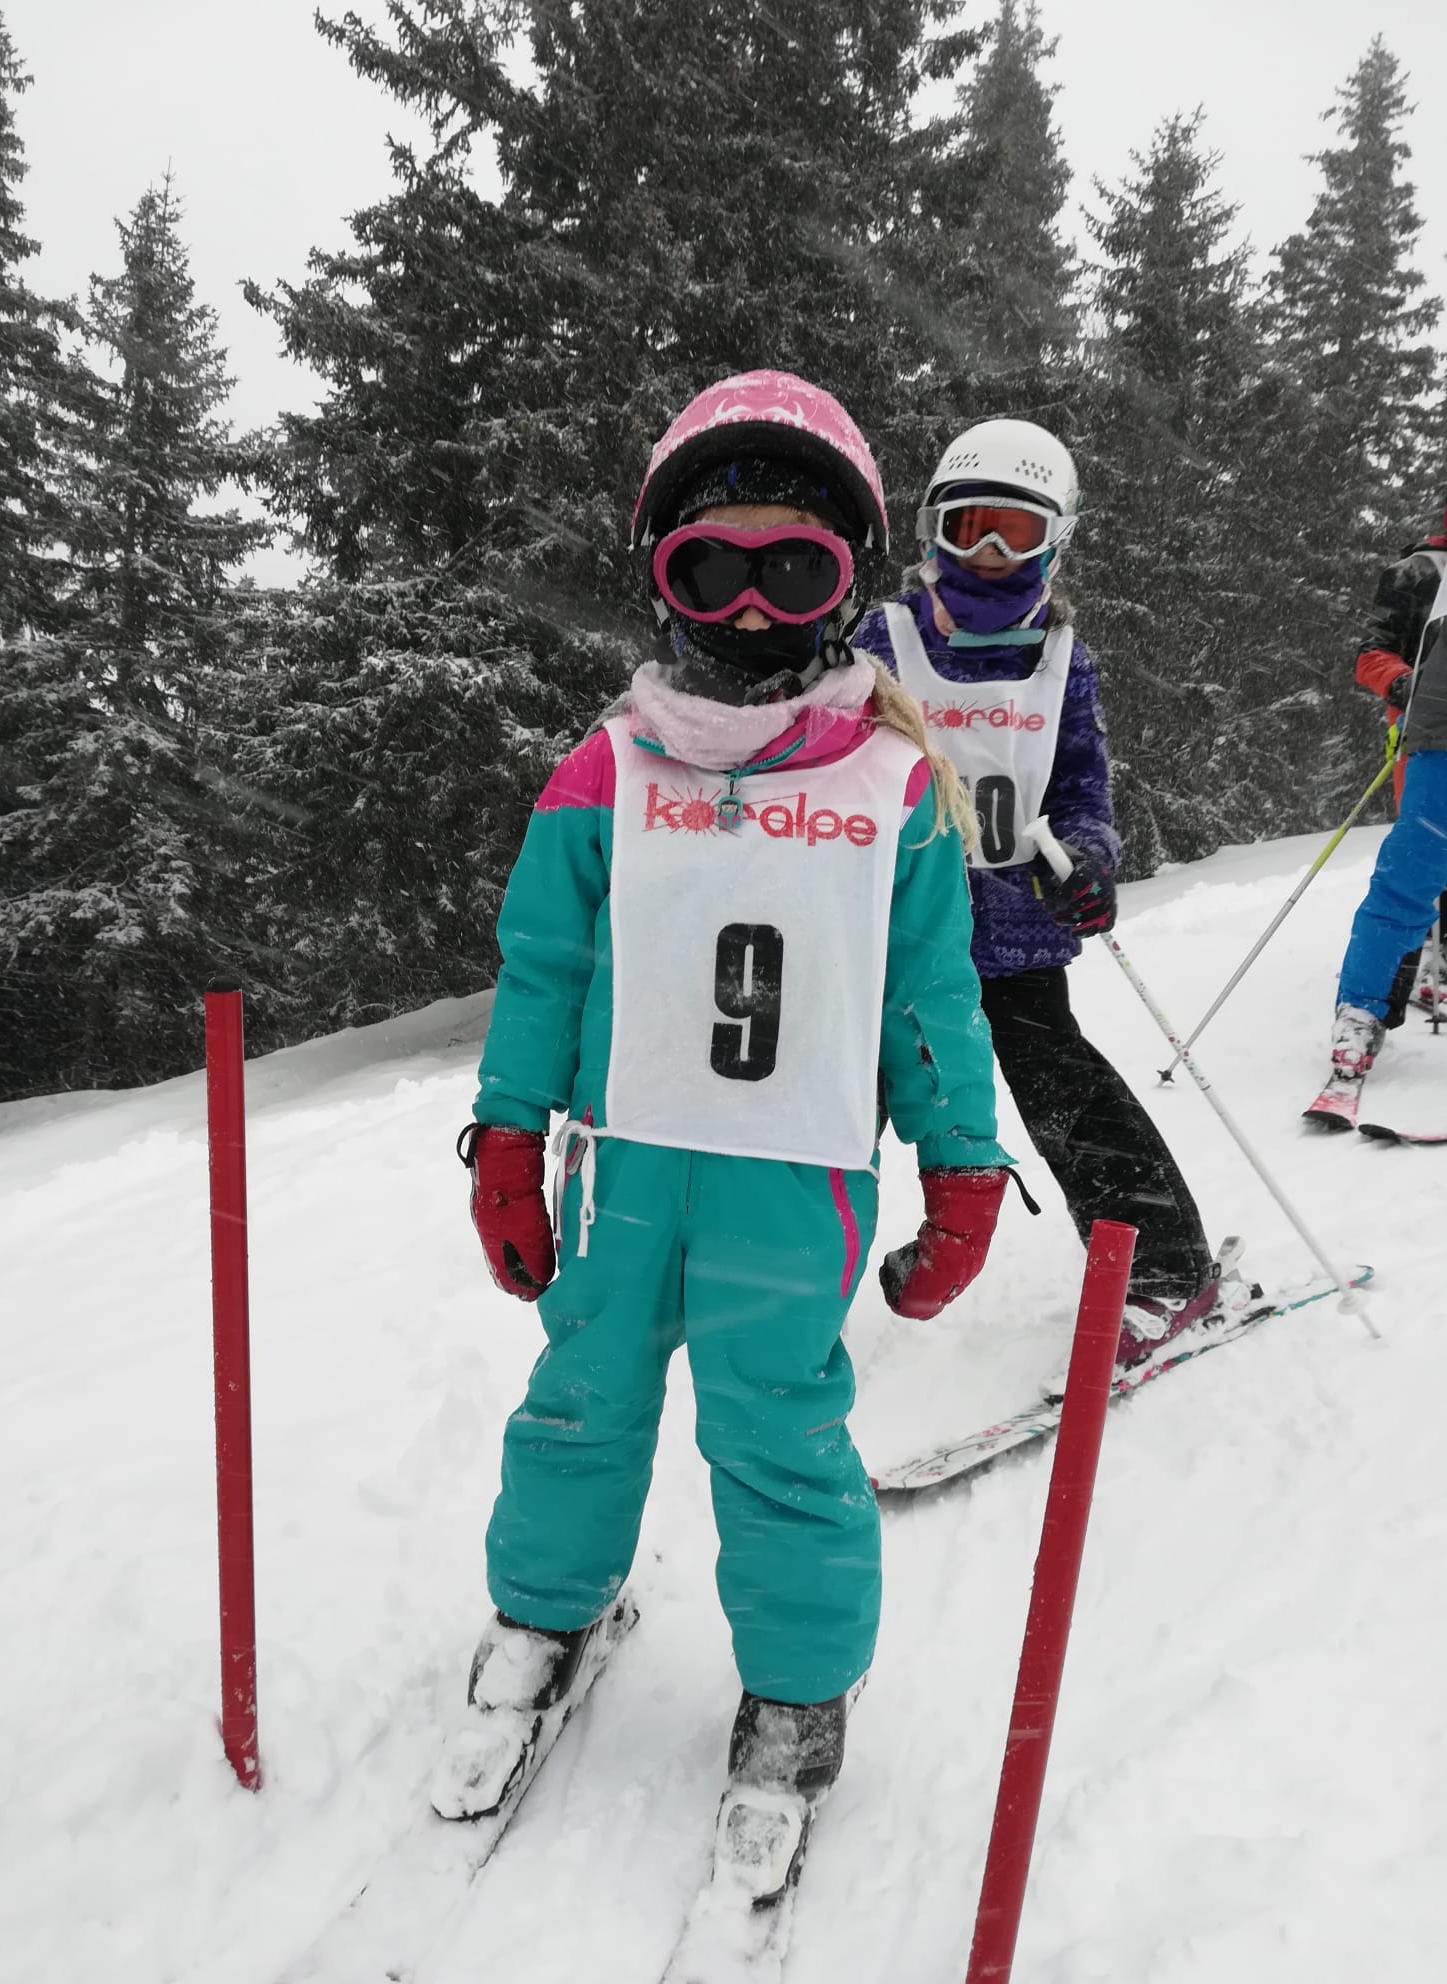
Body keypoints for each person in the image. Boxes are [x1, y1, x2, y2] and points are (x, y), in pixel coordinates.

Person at [448, 372, 1013, 1846]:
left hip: (793, 1179)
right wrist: (508, 1134)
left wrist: (961, 1164)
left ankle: (801, 1688)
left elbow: (927, 997)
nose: (752, 609)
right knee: (580, 1400)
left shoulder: (894, 784)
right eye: (713, 569)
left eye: (794, 571)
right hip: (623, 1167)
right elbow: (546, 965)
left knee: (778, 1429)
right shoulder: (605, 769)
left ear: (847, 584)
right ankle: (544, 1610)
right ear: (662, 580)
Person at [852, 417, 1252, 1377]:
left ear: (1055, 540)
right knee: (842, 1103)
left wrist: (1088, 860)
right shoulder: (882, 642)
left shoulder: (1064, 658)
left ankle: (1165, 1272)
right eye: (969, 526)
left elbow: (1080, 790)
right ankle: (781, 1275)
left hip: (1014, 934)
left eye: (1017, 530)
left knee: (1066, 1096)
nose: (989, 551)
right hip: (891, 935)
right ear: (933, 530)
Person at [1305, 504, 1447, 1126]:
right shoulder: (1418, 571)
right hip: (1428, 736)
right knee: (1414, 873)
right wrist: (1403, 684)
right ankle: (1369, 1011)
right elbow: (1371, 653)